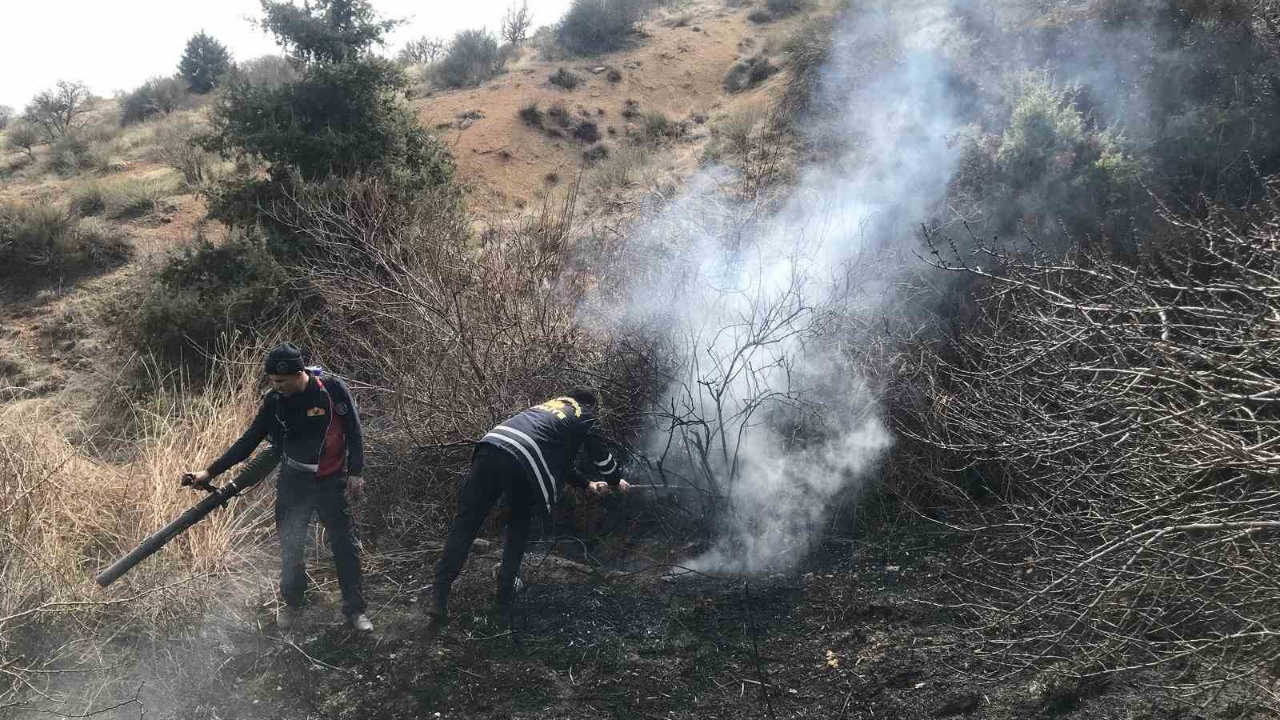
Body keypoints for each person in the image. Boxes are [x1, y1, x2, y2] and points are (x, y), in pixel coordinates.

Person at [183, 342, 373, 633]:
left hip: (331, 481)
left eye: (282, 381)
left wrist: (356, 472)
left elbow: (355, 430)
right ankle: (295, 604)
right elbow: (249, 441)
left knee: (345, 545)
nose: (277, 386)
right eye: (273, 382)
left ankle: (355, 611)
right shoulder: (275, 402)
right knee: (291, 546)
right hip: (294, 482)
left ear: (300, 374)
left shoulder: (332, 389)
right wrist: (209, 471)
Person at [424, 388, 630, 637]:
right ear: (590, 406)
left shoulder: (547, 407)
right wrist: (616, 480)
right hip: (522, 463)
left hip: (490, 447)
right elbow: (602, 456)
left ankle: (439, 597)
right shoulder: (583, 414)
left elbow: (553, 457)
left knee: (466, 525)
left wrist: (587, 484)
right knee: (518, 528)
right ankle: (503, 597)